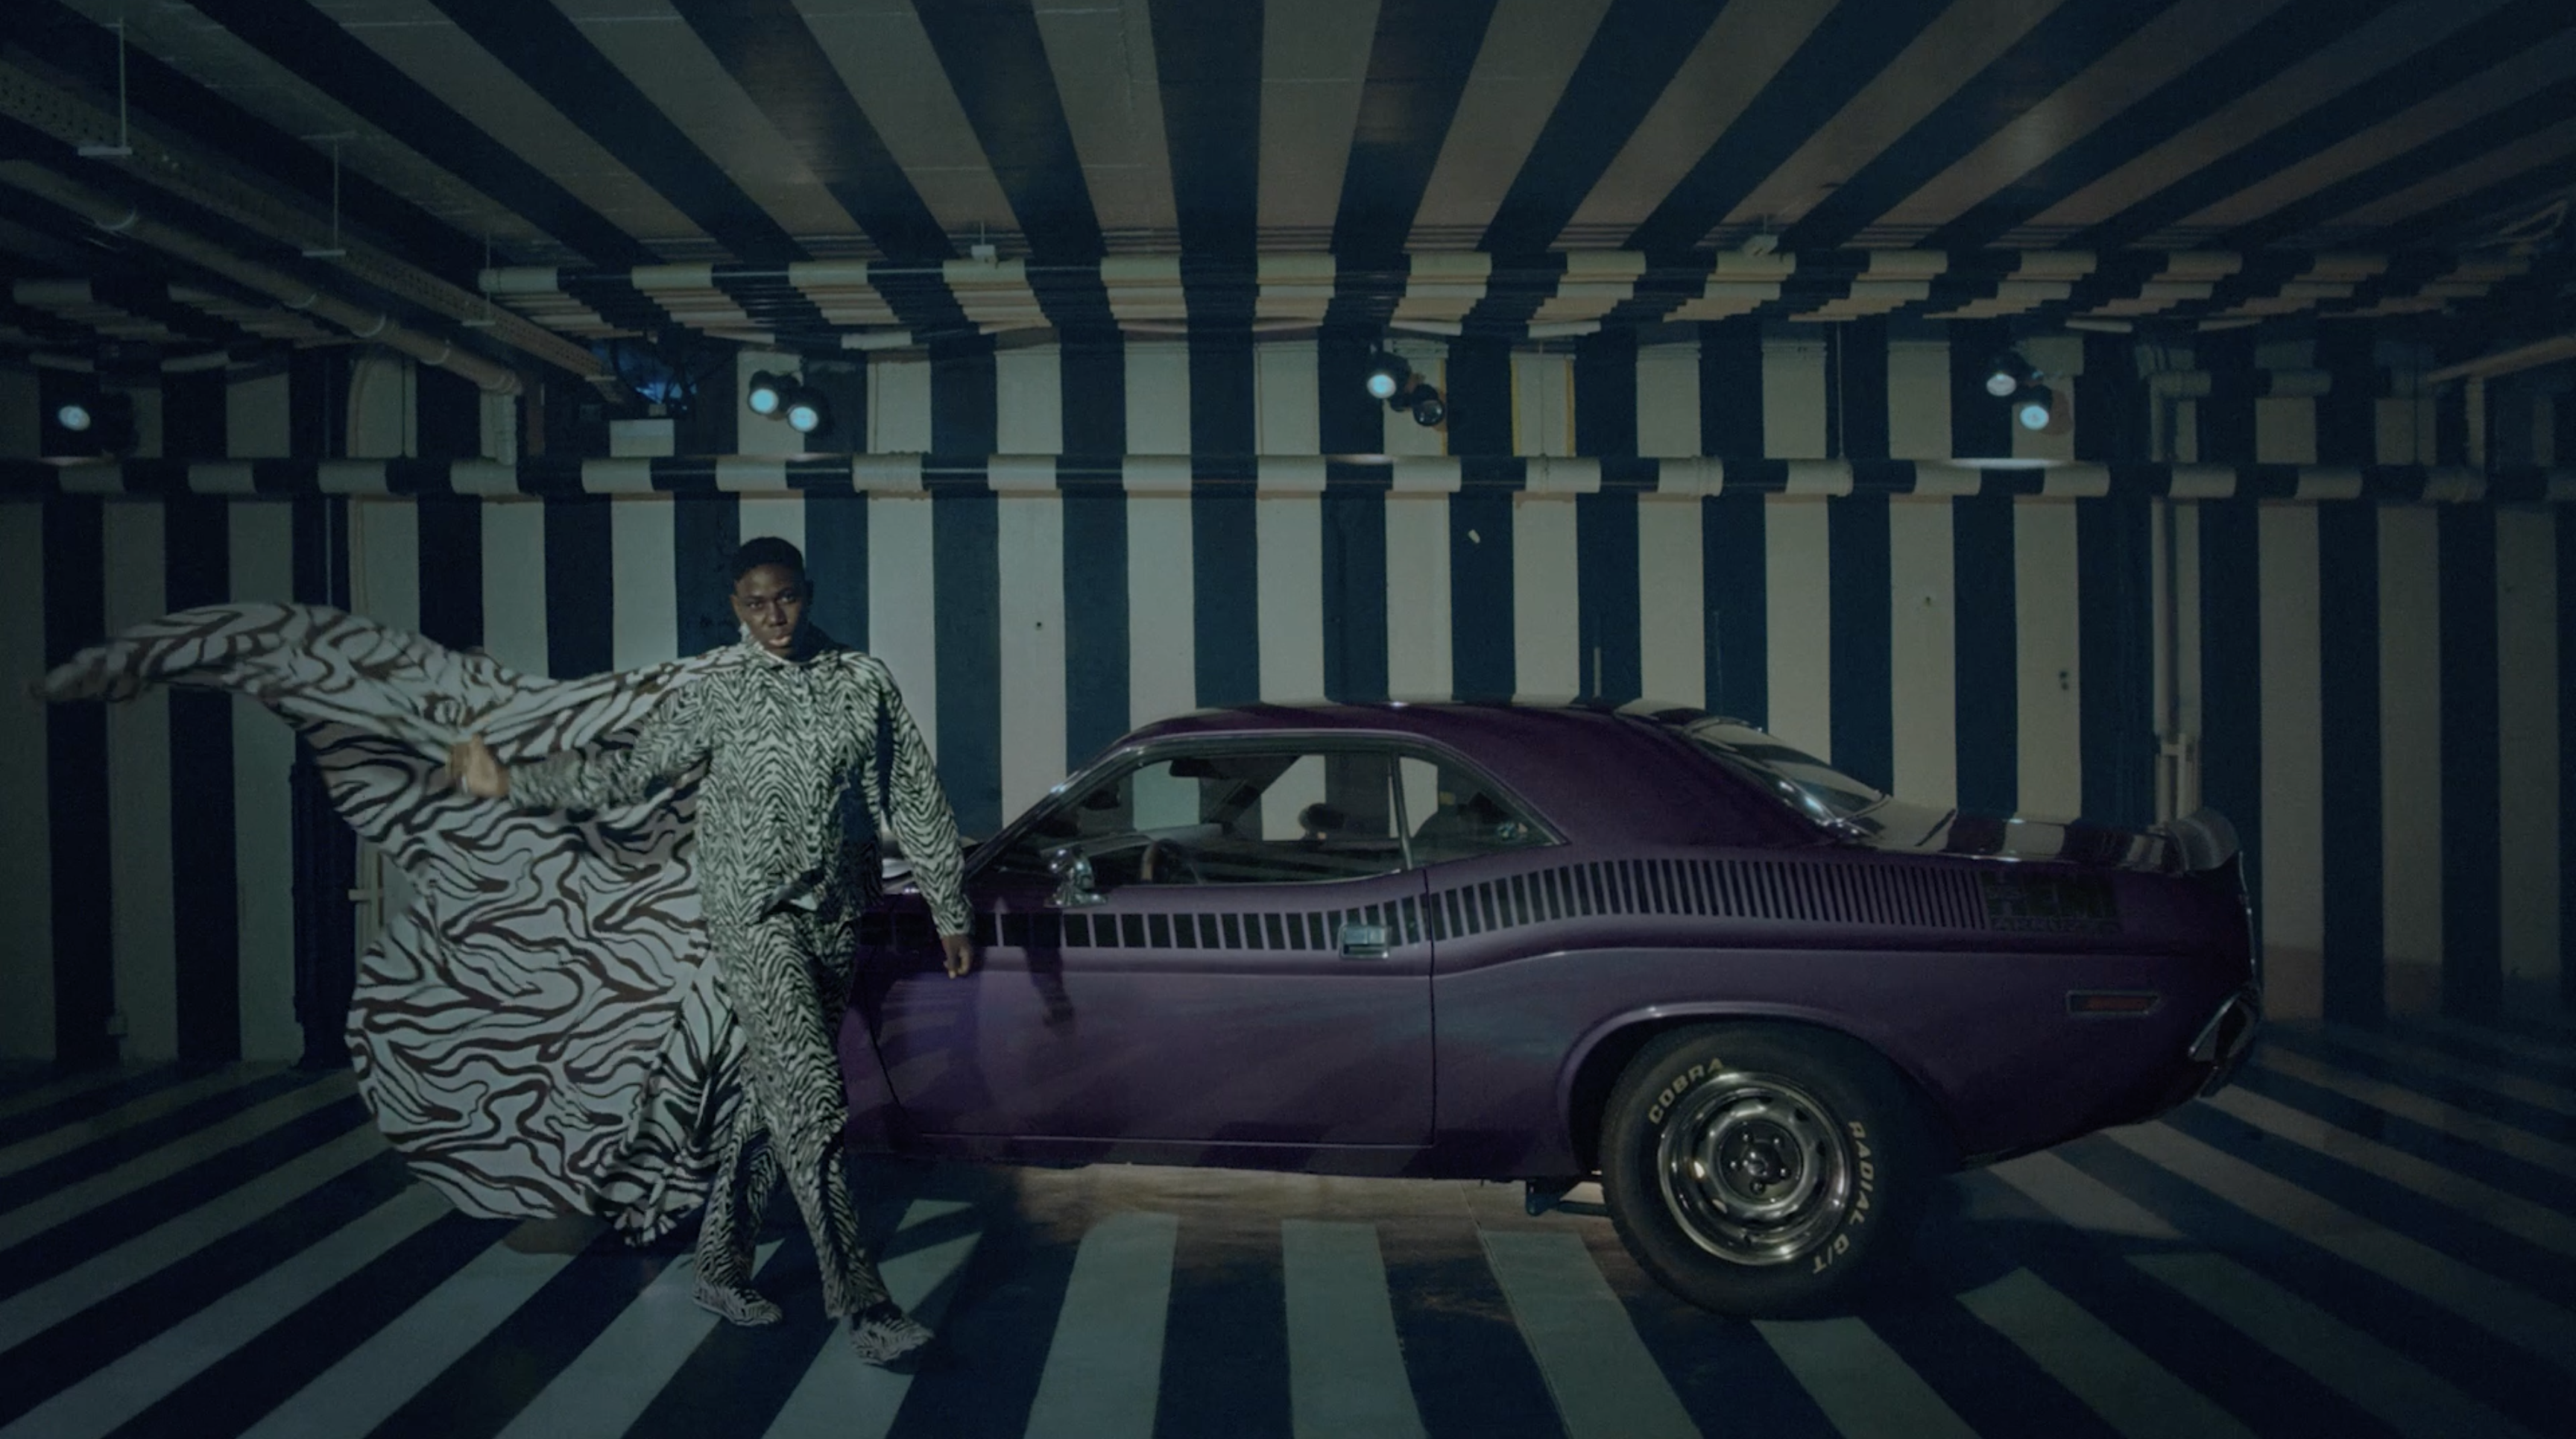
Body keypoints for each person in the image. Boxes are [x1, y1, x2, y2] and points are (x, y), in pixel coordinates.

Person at [447, 535, 973, 1367]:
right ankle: (866, 1306)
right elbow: (629, 774)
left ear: (809, 592)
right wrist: (511, 782)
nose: (774, 616)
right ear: (735, 605)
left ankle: (720, 1267)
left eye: (786, 597)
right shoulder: (716, 687)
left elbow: (912, 791)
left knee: (774, 1099)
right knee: (815, 1099)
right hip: (753, 916)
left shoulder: (862, 680)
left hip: (836, 913)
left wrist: (949, 906)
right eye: (756, 603)